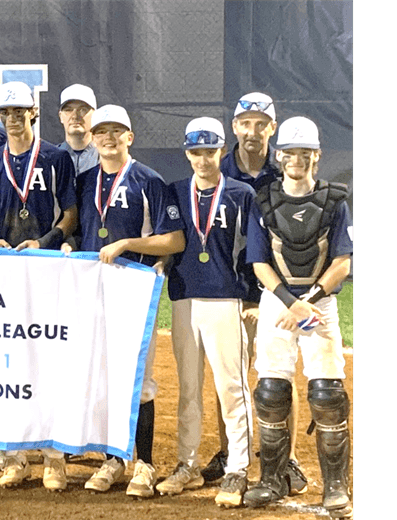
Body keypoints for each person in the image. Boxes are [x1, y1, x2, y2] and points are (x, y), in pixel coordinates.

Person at [62, 105, 186, 496]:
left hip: (135, 290)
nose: (108, 138)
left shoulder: (148, 180)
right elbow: (78, 228)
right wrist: (67, 244)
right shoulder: (84, 181)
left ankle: (145, 464)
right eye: (101, 132)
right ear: (93, 138)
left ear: (129, 137)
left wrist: (128, 244)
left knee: (140, 380)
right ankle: (113, 459)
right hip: (94, 290)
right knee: (102, 375)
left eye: (117, 132)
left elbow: (175, 240)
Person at [242, 117, 353, 519]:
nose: (296, 159)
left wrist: (310, 300)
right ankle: (272, 479)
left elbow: (341, 261)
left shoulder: (334, 201)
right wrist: (292, 302)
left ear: (316, 156)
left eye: (304, 153)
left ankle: (336, 485)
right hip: (278, 299)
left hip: (318, 301)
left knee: (327, 395)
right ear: (280, 156)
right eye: (289, 153)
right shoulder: (264, 200)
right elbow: (259, 263)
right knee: (271, 390)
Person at [203, 92, 307, 495]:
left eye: (260, 123)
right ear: (234, 127)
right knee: (228, 375)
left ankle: (290, 458)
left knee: (277, 372)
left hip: (274, 290)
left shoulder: (283, 175)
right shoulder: (219, 168)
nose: (252, 131)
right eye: (245, 123)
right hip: (230, 289)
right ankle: (229, 452)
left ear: (272, 128)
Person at [0, 81, 77, 491]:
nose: (14, 118)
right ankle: (16, 455)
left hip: (49, 266)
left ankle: (54, 458)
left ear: (33, 112)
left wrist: (46, 242)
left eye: (21, 111)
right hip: (8, 272)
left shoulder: (55, 158)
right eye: (7, 112)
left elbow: (71, 215)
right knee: (10, 362)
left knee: (49, 359)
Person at [158, 118, 256, 507]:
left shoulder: (241, 193)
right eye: (195, 152)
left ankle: (238, 469)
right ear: (187, 153)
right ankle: (188, 464)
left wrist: (252, 299)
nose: (202, 159)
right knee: (188, 389)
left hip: (226, 298)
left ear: (222, 151)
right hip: (184, 298)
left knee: (232, 387)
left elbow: (253, 251)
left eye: (210, 151)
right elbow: (171, 243)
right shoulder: (175, 191)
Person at [57, 84, 99, 175]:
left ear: (95, 115)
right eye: (68, 110)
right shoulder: (51, 159)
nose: (75, 116)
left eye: (83, 110)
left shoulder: (106, 159)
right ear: (60, 116)